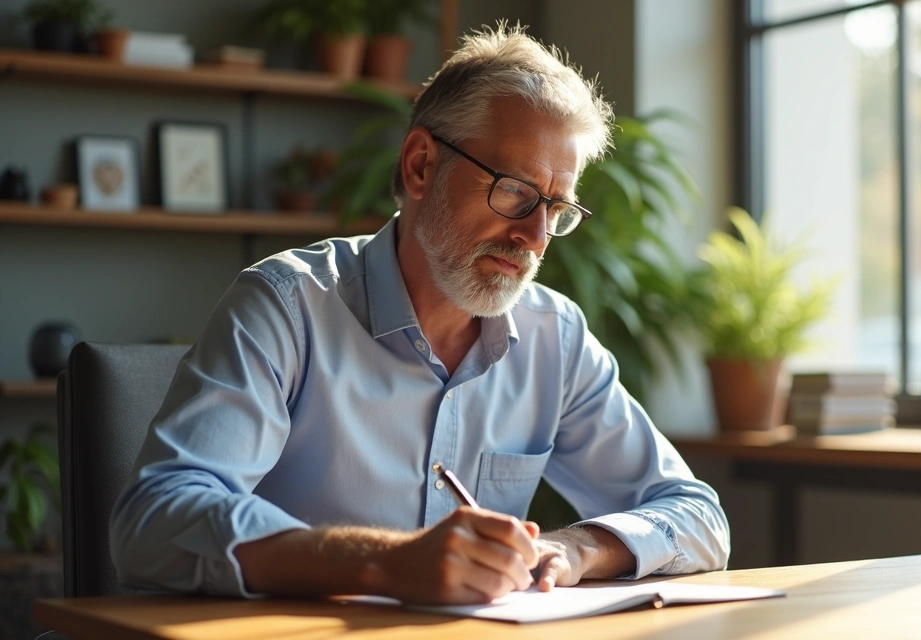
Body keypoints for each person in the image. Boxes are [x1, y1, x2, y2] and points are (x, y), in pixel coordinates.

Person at [110, 25, 730, 605]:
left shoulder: (556, 338)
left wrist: (578, 549)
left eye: (556, 208)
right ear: (420, 166)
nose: (536, 236)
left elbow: (698, 518)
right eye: (514, 191)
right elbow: (154, 519)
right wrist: (385, 562)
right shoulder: (288, 305)